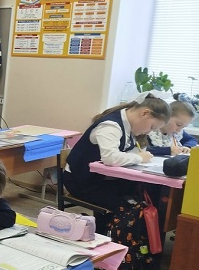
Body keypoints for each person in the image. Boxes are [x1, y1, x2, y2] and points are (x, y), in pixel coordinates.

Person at [63, 93, 170, 222]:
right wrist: (139, 158)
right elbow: (110, 158)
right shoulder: (111, 126)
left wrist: (139, 156)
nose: (149, 132)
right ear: (144, 113)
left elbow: (129, 152)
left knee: (148, 193)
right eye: (152, 127)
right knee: (130, 204)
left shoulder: (129, 126)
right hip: (81, 181)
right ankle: (109, 231)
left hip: (101, 179)